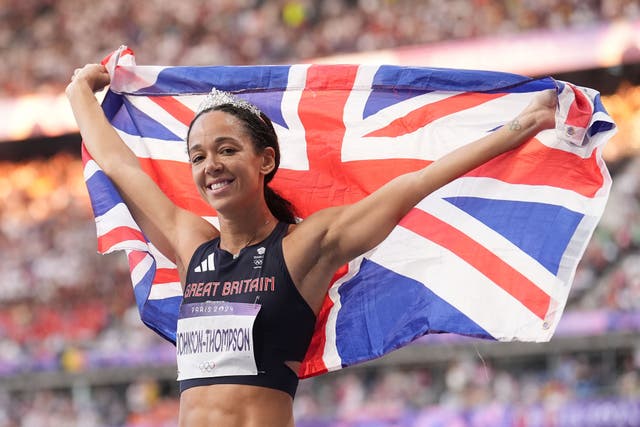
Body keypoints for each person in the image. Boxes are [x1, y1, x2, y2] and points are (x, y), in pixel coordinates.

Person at [66, 63, 557, 427]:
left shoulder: (305, 248)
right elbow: (120, 165)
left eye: (227, 149)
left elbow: (416, 182)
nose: (210, 165)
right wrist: (80, 92)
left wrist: (521, 126)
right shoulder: (192, 245)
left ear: (265, 161)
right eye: (198, 156)